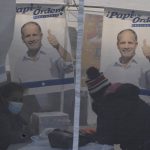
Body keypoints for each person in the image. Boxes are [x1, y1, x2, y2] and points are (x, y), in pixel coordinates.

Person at [86, 66, 150, 150]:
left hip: (139, 145)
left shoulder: (107, 105)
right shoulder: (125, 94)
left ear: (96, 96)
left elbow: (105, 140)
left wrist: (92, 135)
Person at [0, 82, 32, 150]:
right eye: (14, 99)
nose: (18, 103)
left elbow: (24, 124)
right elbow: (8, 138)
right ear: (3, 99)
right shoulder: (2, 116)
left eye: (20, 100)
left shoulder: (12, 113)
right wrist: (26, 134)